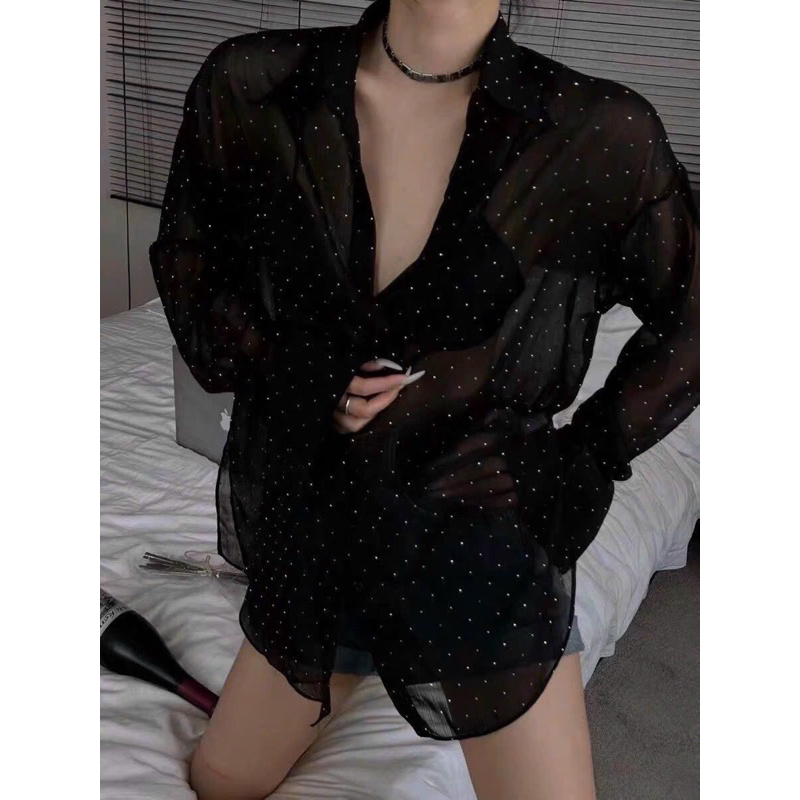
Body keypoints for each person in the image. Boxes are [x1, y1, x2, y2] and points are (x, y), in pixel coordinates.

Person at [148, 1, 699, 798]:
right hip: (315, 526)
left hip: (473, 539)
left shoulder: (595, 131)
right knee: (222, 781)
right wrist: (298, 368)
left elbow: (697, 318)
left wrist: (581, 452)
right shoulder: (256, 85)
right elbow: (193, 262)